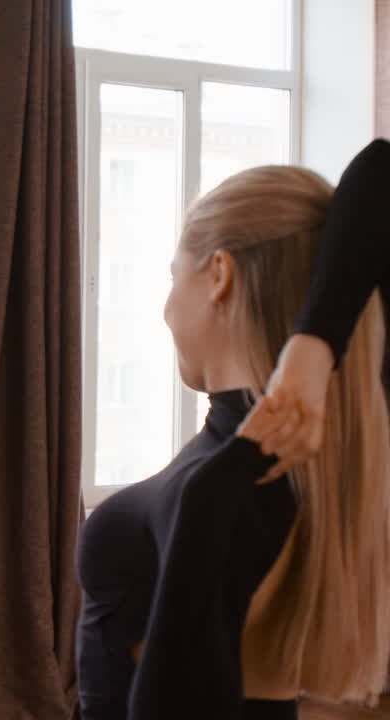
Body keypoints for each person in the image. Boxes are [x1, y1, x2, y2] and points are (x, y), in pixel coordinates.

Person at [76, 138, 390, 720]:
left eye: (173, 277)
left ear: (218, 273)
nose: (166, 307)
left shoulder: (227, 481)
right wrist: (314, 353)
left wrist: (305, 356)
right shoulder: (309, 466)